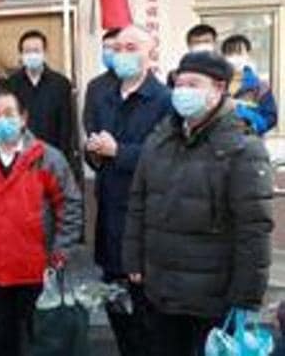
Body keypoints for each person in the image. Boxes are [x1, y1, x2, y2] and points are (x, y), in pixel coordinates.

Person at [123, 51, 273, 356]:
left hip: (213, 297)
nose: (182, 91)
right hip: (162, 289)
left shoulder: (242, 147)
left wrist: (246, 296)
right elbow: (138, 202)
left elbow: (254, 229)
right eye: (179, 83)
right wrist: (133, 260)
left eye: (193, 83)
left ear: (218, 89)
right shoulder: (160, 139)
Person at [0, 88, 82, 356]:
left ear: (23, 118)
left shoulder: (47, 158)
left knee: (40, 342)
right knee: (1, 341)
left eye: (9, 113)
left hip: (37, 269)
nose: (2, 120)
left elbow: (70, 205)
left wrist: (60, 252)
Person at [85, 25, 170, 356]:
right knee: (116, 306)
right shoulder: (104, 97)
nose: (121, 53)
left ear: (150, 52)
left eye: (130, 46)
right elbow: (100, 152)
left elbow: (164, 159)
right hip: (109, 217)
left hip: (144, 225)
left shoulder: (163, 100)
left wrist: (118, 151)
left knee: (146, 315)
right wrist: (96, 151)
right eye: (116, 47)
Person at [6, 30, 74, 160]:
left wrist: (63, 157)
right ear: (21, 54)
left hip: (53, 155)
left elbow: (66, 126)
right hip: (20, 157)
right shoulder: (11, 84)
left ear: (45, 53)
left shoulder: (61, 83)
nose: (32, 55)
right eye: (27, 51)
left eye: (36, 50)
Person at [222, 34, 278, 136]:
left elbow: (271, 117)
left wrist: (252, 126)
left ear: (248, 55)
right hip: (220, 142)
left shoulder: (260, 86)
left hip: (250, 143)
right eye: (230, 53)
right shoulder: (217, 84)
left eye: (239, 53)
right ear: (224, 57)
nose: (235, 57)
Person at [83, 28, 121, 134]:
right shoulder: (95, 85)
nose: (107, 52)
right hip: (100, 146)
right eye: (105, 48)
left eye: (112, 48)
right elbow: (89, 121)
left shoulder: (132, 82)